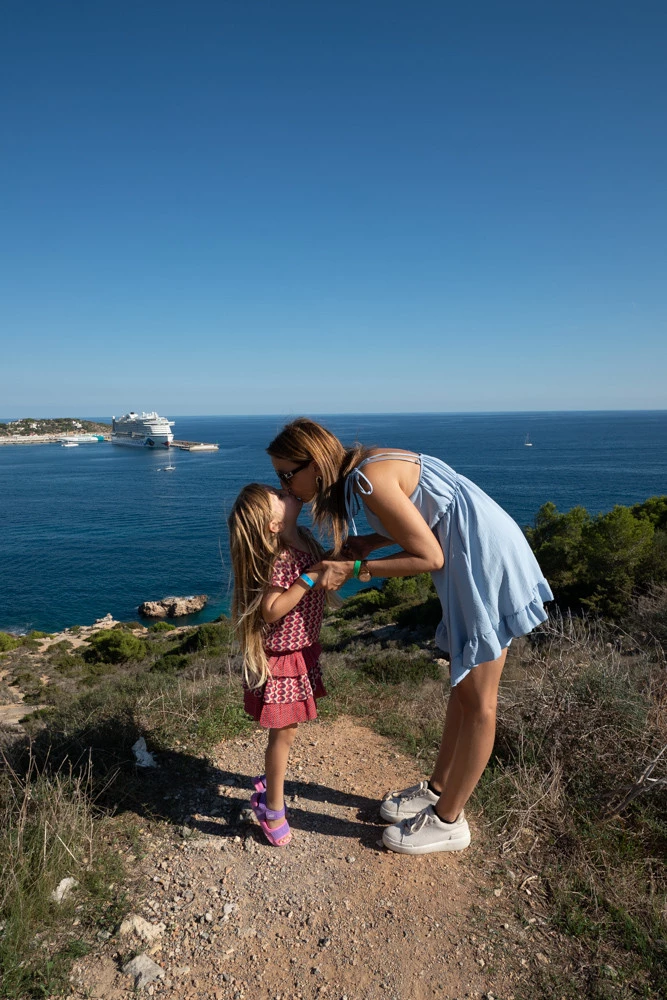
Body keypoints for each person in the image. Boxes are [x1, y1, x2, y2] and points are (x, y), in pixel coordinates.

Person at [267, 418, 553, 855]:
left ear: (315, 462)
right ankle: (438, 789)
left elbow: (429, 556)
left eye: (288, 474)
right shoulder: (370, 463)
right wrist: (371, 543)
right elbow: (427, 515)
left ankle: (449, 821)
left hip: (479, 563)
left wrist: (354, 568)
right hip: (476, 551)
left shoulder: (366, 481)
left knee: (480, 702)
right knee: (463, 687)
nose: (285, 486)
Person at [228, 482, 335, 847]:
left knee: (288, 731)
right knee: (284, 734)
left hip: (300, 650)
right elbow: (272, 610)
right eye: (279, 495)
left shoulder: (304, 539)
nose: (286, 490)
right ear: (273, 525)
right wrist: (308, 578)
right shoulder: (281, 558)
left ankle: (269, 783)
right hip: (281, 660)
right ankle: (272, 808)